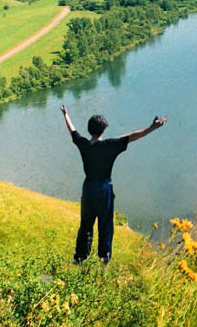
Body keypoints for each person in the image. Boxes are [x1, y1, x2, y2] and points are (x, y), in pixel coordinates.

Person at [61, 104, 166, 264]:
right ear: (103, 130)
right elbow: (132, 136)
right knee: (105, 223)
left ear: (90, 130)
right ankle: (104, 258)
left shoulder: (83, 144)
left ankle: (80, 257)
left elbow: (72, 131)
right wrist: (152, 127)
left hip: (88, 188)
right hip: (104, 189)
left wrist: (65, 114)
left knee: (86, 223)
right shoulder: (110, 145)